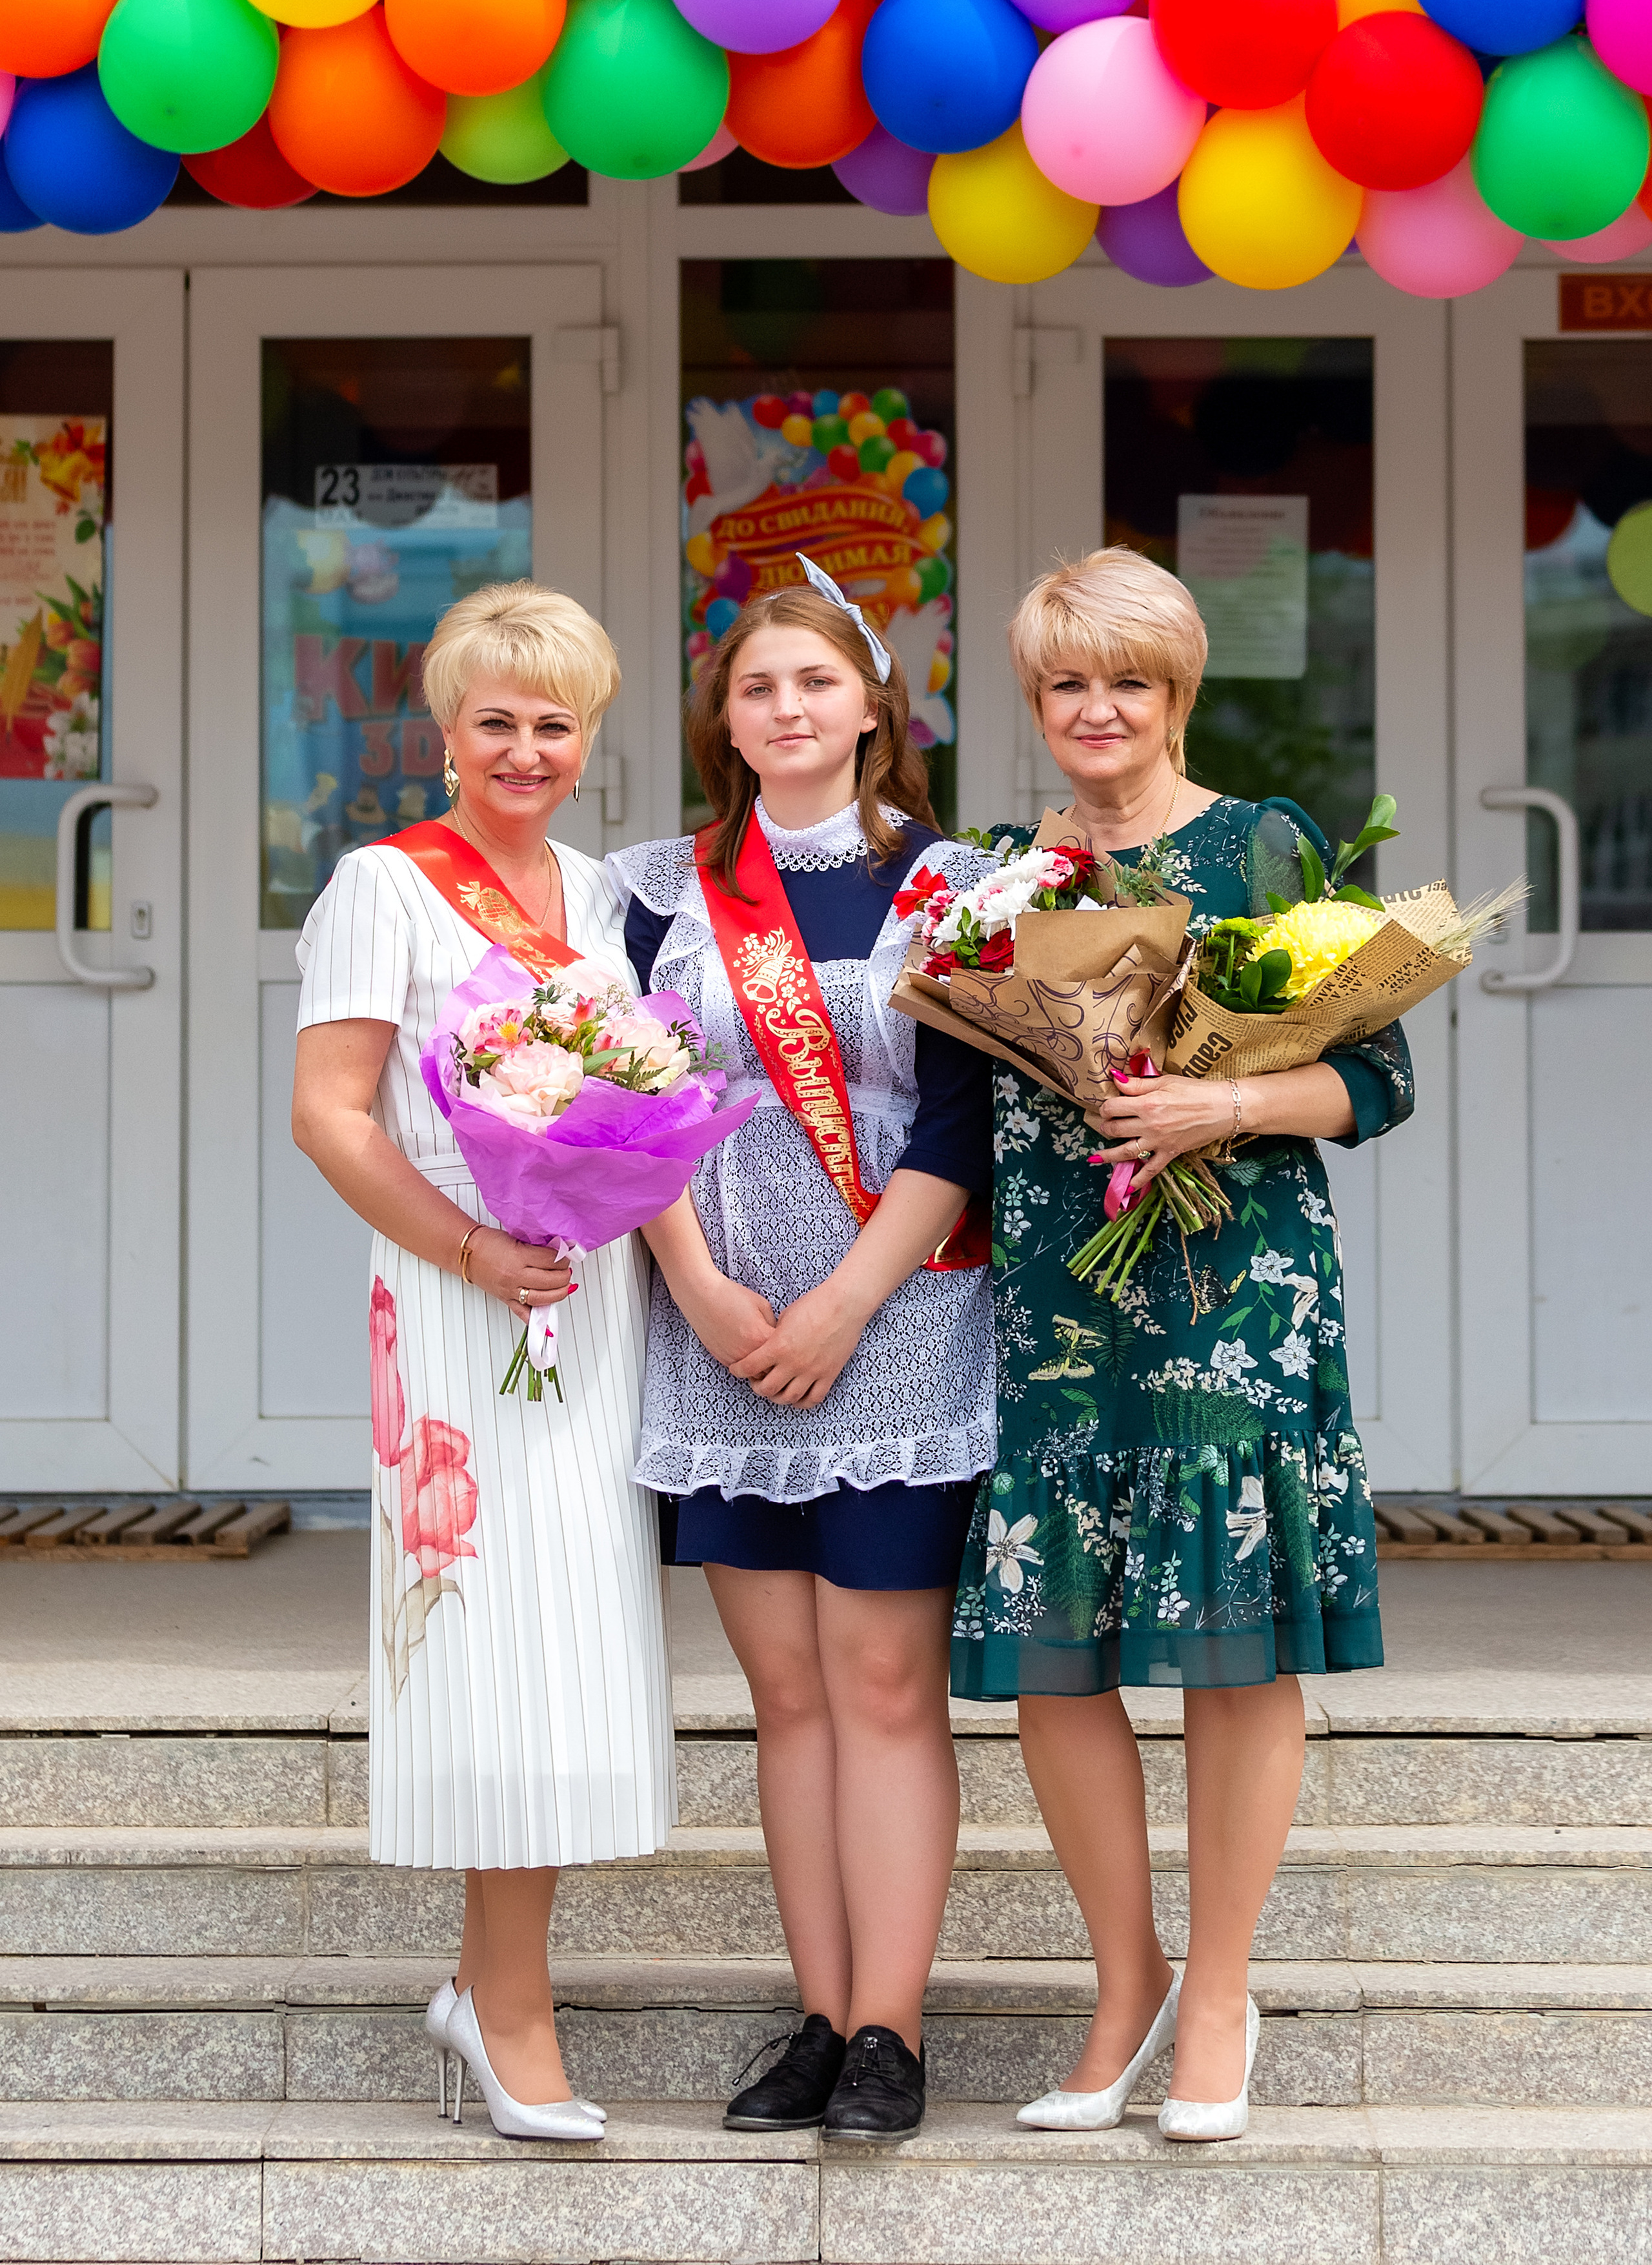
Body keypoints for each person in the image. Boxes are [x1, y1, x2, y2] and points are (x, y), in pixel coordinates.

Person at [951, 549, 1404, 2144]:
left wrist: (1220, 1101)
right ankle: (1123, 1979)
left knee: (1230, 1647)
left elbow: (1374, 1080)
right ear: (1034, 697)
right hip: (1058, 1297)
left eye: (1126, 683)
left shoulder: (1258, 842)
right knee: (1055, 1663)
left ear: (1175, 693)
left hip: (1231, 1294)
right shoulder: (990, 872)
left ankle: (1219, 1991)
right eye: (1067, 683)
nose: (1096, 709)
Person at [609, 569, 994, 2146]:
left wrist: (845, 1300)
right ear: (726, 716)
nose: (785, 711)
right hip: (717, 1325)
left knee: (884, 1681)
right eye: (757, 687)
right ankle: (819, 2015)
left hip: (896, 1319)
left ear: (871, 705)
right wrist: (697, 1289)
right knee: (784, 1697)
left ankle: (892, 2029)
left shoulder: (955, 887)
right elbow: (614, 1109)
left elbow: (971, 1116)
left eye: (814, 685)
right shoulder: (653, 888)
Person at [290, 580, 674, 2145]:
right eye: (496, 720)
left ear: (589, 738)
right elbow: (332, 1112)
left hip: (581, 1296)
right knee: (490, 1640)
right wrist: (467, 1249)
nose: (525, 748)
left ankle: (487, 1978)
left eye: (555, 723)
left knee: (571, 1634)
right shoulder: (386, 883)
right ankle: (507, 2005)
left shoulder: (597, 895)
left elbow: (636, 1094)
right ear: (445, 733)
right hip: (459, 1299)